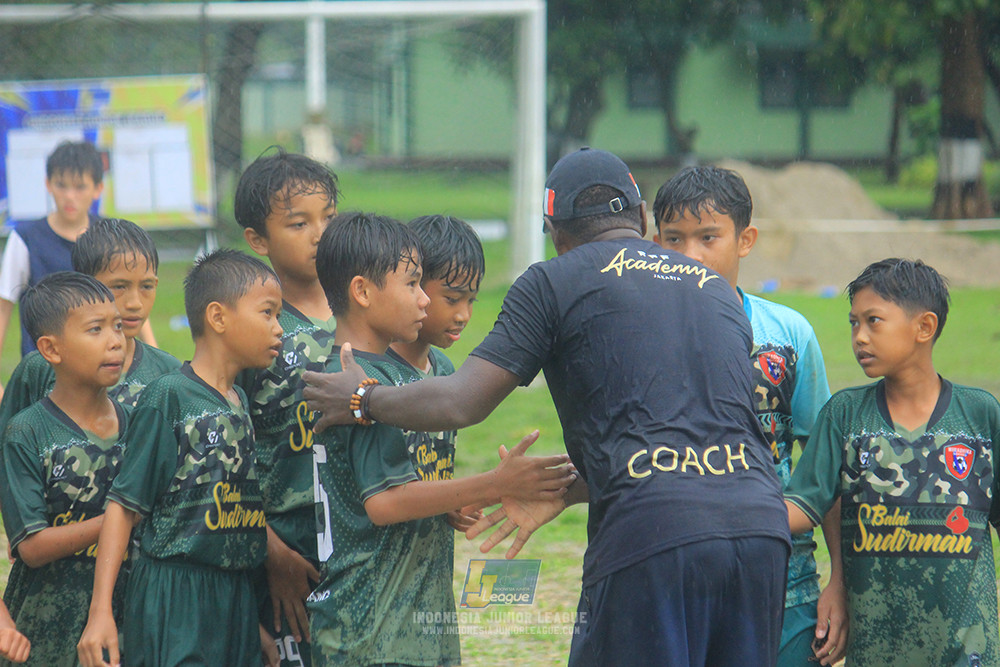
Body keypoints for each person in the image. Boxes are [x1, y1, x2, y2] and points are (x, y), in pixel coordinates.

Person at [303, 148, 792, 667]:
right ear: (642, 216)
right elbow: (697, 438)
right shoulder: (716, 290)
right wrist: (564, 489)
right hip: (761, 526)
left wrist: (362, 398)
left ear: (554, 233)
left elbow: (462, 401)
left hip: (653, 535)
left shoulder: (552, 280)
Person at [307, 212, 573, 666]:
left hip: (416, 618)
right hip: (369, 625)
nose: (427, 301)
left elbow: (401, 483)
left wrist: (451, 501)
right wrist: (495, 483)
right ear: (364, 291)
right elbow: (385, 502)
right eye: (415, 285)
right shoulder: (359, 383)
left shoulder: (427, 375)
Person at [652, 166, 845, 666]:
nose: (690, 255)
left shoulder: (788, 334)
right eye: (674, 239)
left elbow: (824, 469)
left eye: (708, 237)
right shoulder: (638, 338)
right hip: (675, 581)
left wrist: (840, 581)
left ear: (745, 240)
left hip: (785, 583)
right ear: (654, 244)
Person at [785, 258, 1000, 667]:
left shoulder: (979, 416)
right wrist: (726, 516)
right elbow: (801, 506)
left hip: (967, 653)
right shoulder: (845, 416)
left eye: (873, 321)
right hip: (877, 652)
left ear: (924, 327)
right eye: (853, 323)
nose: (859, 337)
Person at [77, 249, 284, 667]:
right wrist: (101, 613)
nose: (279, 328)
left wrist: (248, 622)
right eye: (268, 313)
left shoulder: (239, 400)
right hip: (176, 596)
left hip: (234, 597)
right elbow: (124, 506)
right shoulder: (169, 397)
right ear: (218, 317)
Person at [234, 148, 339, 667]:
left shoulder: (369, 309)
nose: (320, 235)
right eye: (299, 223)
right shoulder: (253, 332)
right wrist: (272, 551)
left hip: (360, 541)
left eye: (329, 218)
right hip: (284, 548)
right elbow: (225, 461)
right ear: (258, 240)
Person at [0, 272, 128, 666]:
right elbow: (32, 547)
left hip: (127, 625)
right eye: (96, 329)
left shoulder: (139, 424)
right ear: (51, 349)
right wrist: (121, 519)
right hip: (43, 635)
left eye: (117, 326)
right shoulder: (27, 432)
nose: (116, 340)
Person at [0, 218, 179, 438]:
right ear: (85, 284)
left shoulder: (168, 374)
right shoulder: (40, 368)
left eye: (147, 286)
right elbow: (9, 443)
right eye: (119, 286)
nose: (135, 303)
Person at [0, 141, 104, 376]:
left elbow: (130, 301)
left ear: (98, 188)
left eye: (80, 187)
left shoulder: (108, 237)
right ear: (48, 184)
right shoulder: (26, 238)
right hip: (43, 374)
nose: (69, 196)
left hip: (99, 371)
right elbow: (3, 307)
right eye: (61, 185)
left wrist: (154, 355)